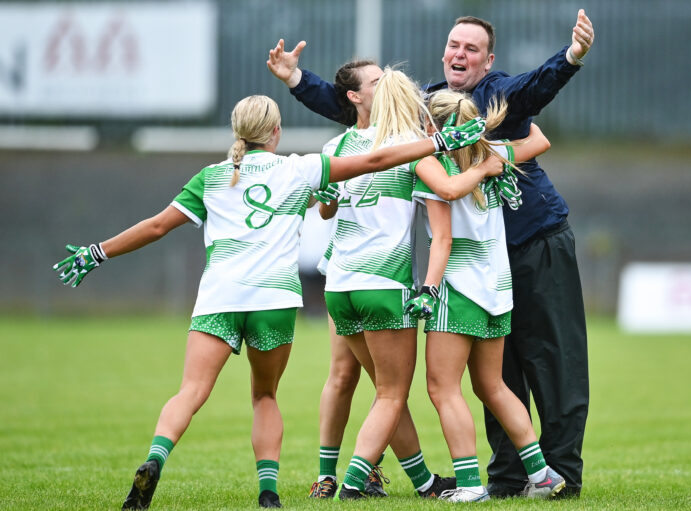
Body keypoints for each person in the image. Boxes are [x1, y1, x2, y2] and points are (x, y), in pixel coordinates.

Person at [51, 94, 487, 510]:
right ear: (276, 131)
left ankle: (156, 457)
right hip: (273, 300)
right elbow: (374, 161)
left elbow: (156, 227)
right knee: (264, 395)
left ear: (237, 132)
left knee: (191, 391)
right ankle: (268, 493)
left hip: (219, 298)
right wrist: (437, 142)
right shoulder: (298, 169)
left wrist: (98, 251)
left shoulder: (211, 176)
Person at [266, 9, 594, 497]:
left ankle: (546, 473)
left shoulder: (491, 100)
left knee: (538, 364)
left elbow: (532, 94)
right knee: (493, 380)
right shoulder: (440, 118)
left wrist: (570, 57)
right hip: (489, 267)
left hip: (523, 247)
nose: (459, 53)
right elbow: (359, 105)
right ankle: (516, 475)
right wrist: (297, 80)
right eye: (454, 45)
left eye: (471, 48)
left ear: (488, 60)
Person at [307, 60, 458, 500]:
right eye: (374, 79)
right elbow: (448, 193)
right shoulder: (413, 144)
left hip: (339, 286)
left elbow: (326, 208)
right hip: (383, 283)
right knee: (391, 394)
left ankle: (421, 482)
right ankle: (355, 482)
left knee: (376, 390)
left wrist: (327, 199)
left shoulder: (337, 144)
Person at [405, 89, 564, 502]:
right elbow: (539, 140)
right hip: (497, 289)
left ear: (433, 126)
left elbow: (443, 234)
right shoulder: (491, 154)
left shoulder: (433, 165)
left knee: (442, 388)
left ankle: (470, 485)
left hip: (457, 289)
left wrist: (429, 290)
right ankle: (542, 475)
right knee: (492, 386)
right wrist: (503, 118)